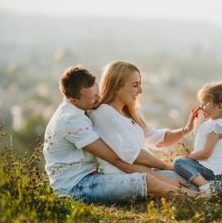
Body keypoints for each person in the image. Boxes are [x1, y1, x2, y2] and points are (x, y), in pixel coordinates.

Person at [43, 65, 203, 204]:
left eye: (97, 92)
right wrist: (166, 173)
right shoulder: (71, 120)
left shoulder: (83, 110)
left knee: (182, 176)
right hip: (75, 186)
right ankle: (201, 199)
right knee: (146, 181)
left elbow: (151, 137)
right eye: (93, 97)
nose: (98, 99)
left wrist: (185, 131)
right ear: (72, 100)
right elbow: (116, 159)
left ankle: (213, 191)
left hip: (92, 177)